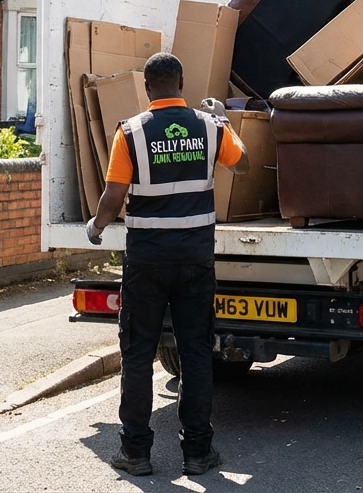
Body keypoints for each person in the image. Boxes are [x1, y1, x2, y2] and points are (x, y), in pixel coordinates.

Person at [86, 53, 249, 478]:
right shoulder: (211, 128)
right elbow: (243, 164)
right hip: (195, 260)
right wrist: (224, 121)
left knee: (138, 353)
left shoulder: (131, 132)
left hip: (147, 262)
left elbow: (113, 196)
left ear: (147, 88)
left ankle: (136, 452)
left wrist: (96, 226)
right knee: (195, 352)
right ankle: (197, 452)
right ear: (182, 83)